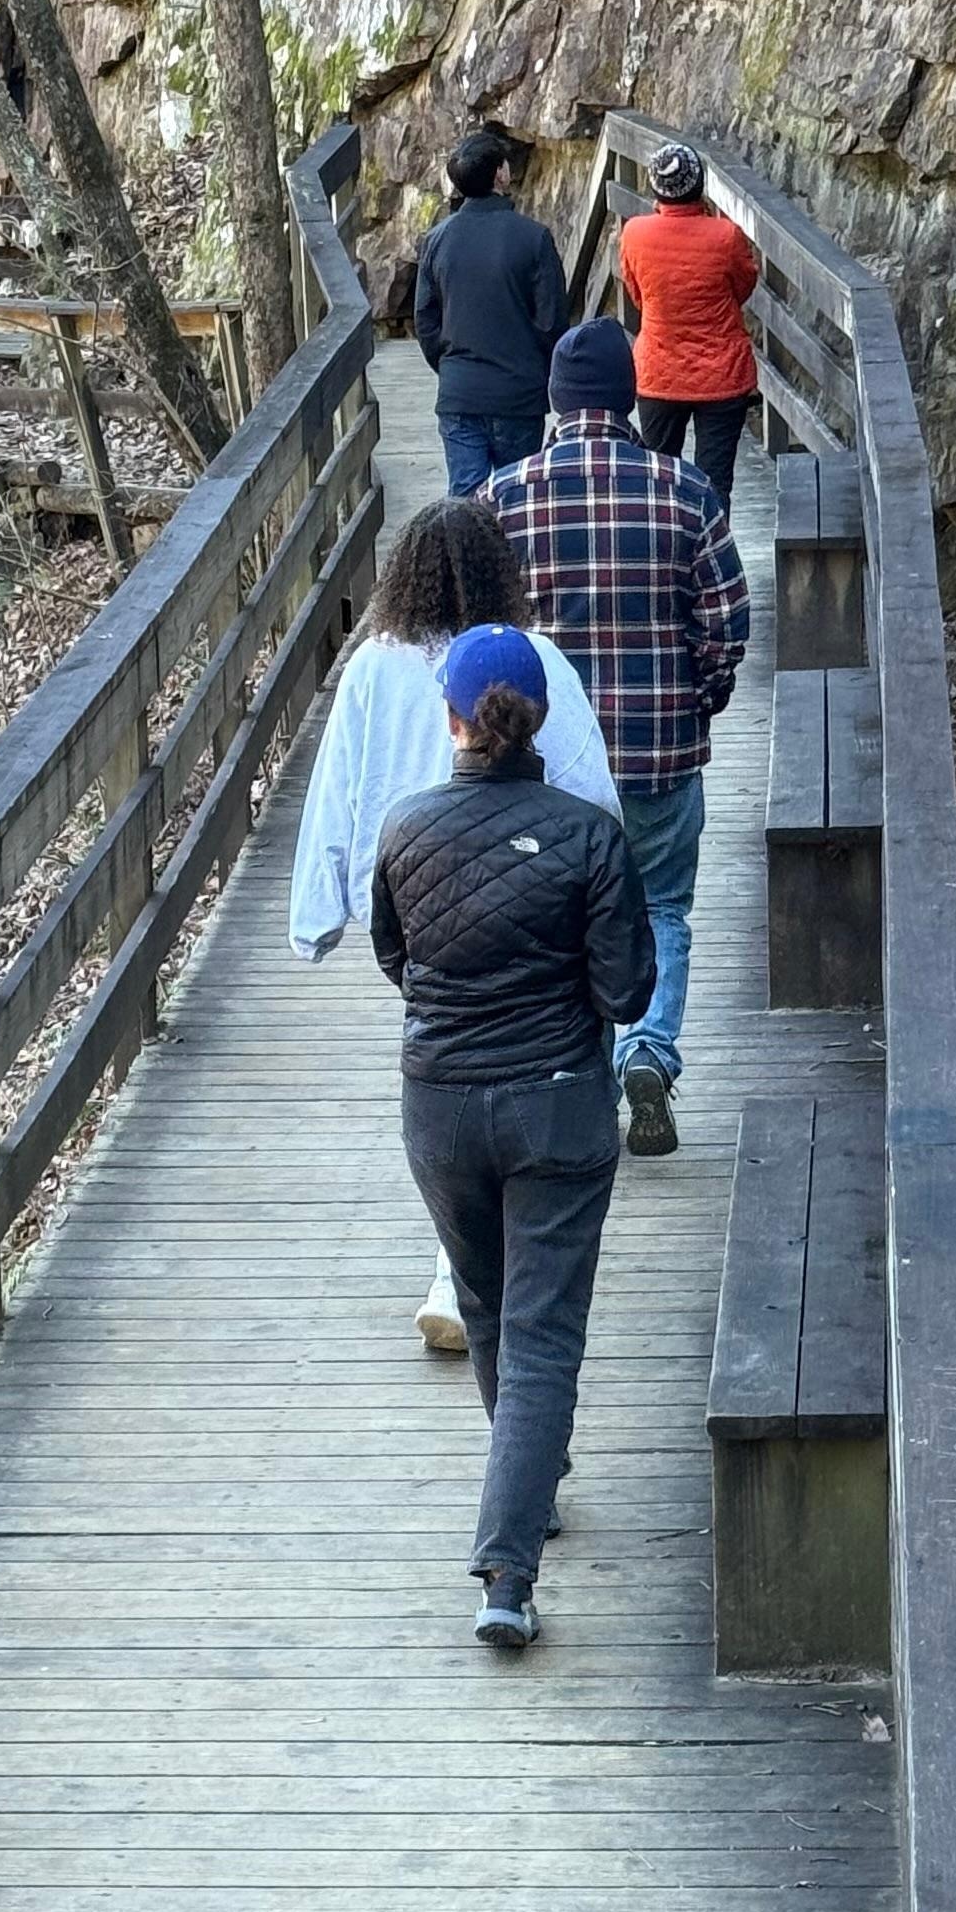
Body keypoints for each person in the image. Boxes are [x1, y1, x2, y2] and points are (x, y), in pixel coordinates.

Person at [371, 624, 655, 1653]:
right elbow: (627, 990)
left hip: (439, 1107)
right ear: (540, 717)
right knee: (542, 1334)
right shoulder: (589, 837)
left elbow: (394, 959)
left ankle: (524, 1489)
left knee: (488, 1303)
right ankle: (507, 1569)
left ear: (450, 717)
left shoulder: (405, 830)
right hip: (557, 1105)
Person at [289, 497, 619, 1353]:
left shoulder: (372, 668)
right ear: (500, 572)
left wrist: (317, 916)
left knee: (446, 1059)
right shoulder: (536, 661)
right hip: (526, 891)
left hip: (408, 900)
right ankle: (465, 1266)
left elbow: (334, 794)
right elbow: (590, 789)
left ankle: (460, 1263)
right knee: (500, 1063)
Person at [489, 317, 747, 1160]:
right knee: (662, 905)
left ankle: (585, 1082)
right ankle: (649, 1052)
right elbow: (727, 622)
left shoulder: (503, 496)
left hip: (545, 768)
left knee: (562, 922)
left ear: (559, 405)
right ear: (630, 396)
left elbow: (482, 641)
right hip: (658, 749)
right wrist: (699, 699)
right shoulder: (685, 490)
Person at [412, 126, 574, 492]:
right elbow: (552, 322)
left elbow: (425, 320)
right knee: (517, 502)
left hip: (459, 390)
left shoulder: (436, 240)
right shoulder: (534, 237)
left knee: (466, 501)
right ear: (501, 173)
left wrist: (450, 364)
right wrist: (535, 369)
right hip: (518, 393)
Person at [619, 138, 762, 504]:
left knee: (658, 480)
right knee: (715, 484)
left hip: (659, 372)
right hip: (721, 373)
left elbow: (636, 293)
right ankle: (715, 557)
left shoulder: (634, 233)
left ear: (656, 188)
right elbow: (743, 285)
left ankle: (663, 557)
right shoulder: (725, 236)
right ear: (699, 185)